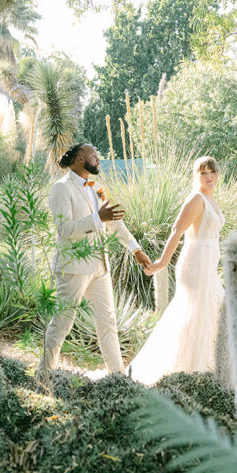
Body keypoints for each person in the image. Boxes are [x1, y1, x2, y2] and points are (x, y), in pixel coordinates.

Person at [37, 143, 152, 382]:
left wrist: (135, 249)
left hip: (100, 266)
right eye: (93, 155)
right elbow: (64, 229)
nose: (98, 159)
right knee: (62, 324)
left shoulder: (96, 187)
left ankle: (118, 378)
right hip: (73, 267)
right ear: (79, 159)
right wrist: (97, 218)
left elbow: (114, 223)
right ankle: (43, 375)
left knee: (108, 323)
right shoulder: (61, 189)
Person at [127, 156, 225, 384]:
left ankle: (206, 371)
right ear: (196, 176)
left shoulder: (212, 199)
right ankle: (189, 374)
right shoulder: (196, 199)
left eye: (212, 172)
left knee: (211, 313)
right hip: (195, 267)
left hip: (209, 268)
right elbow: (176, 231)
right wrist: (161, 262)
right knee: (195, 315)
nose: (209, 176)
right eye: (203, 173)